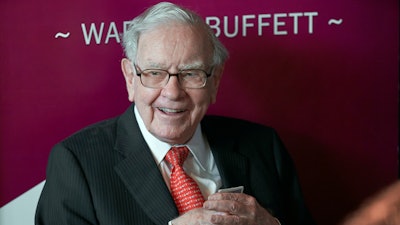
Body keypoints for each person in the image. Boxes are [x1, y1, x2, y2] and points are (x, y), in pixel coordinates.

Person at [35, 2, 314, 225]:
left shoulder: (263, 146)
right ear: (130, 79)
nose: (173, 92)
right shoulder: (78, 163)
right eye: (155, 73)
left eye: (190, 73)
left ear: (214, 81)